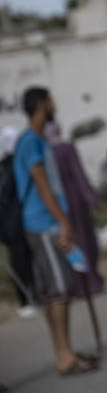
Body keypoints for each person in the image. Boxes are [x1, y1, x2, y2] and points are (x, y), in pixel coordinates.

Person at [12, 87, 97, 376]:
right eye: (50, 101)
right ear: (41, 105)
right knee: (60, 290)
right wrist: (63, 222)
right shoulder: (30, 141)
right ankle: (64, 357)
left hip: (46, 223)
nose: (54, 105)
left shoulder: (37, 140)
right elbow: (41, 184)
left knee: (55, 292)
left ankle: (65, 351)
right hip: (44, 224)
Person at [44, 122, 104, 295]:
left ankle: (79, 284)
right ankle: (91, 281)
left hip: (57, 201)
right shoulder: (66, 148)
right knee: (85, 240)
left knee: (70, 242)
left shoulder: (47, 151)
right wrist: (92, 198)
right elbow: (78, 173)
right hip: (75, 198)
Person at [0, 125, 38, 320]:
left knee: (25, 262)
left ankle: (31, 298)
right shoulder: (11, 168)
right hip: (15, 225)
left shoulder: (8, 167)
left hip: (14, 224)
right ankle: (26, 301)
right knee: (22, 263)